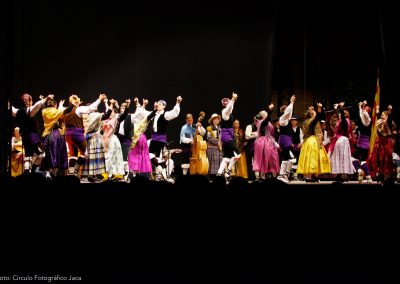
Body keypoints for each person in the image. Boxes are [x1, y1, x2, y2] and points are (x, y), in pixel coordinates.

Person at [63, 93, 106, 176]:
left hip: (68, 134)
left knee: (72, 154)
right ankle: (76, 169)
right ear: (75, 102)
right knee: (85, 153)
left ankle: (71, 173)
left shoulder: (64, 110)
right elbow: (90, 108)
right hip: (77, 133)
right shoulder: (78, 109)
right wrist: (99, 99)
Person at [11, 93, 53, 173]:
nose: (31, 101)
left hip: (26, 135)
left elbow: (12, 110)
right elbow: (37, 106)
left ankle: (30, 170)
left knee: (37, 154)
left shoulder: (18, 111)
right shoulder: (28, 110)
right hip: (32, 135)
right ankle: (29, 171)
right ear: (27, 102)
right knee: (35, 153)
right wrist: (45, 99)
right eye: (29, 100)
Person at [148, 96, 182, 177]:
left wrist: (177, 103)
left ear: (164, 106)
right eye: (158, 104)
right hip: (154, 138)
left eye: (160, 104)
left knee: (158, 157)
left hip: (160, 138)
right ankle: (161, 170)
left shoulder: (165, 114)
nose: (158, 105)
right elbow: (146, 116)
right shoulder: (154, 114)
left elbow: (175, 113)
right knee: (149, 155)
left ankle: (160, 175)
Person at [297, 103, 331, 182]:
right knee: (314, 158)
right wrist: (319, 108)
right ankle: (314, 176)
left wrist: (312, 110)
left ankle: (310, 176)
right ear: (312, 115)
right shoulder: (312, 121)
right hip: (313, 141)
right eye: (314, 113)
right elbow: (318, 117)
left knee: (308, 158)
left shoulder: (305, 122)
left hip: (307, 141)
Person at [41, 96, 68, 179]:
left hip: (46, 135)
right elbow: (63, 113)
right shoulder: (57, 112)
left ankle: (48, 173)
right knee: (57, 153)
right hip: (56, 135)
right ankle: (54, 173)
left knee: (48, 154)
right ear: (55, 105)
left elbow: (44, 108)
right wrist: (62, 105)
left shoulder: (44, 111)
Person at [216, 92, 240, 181]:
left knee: (226, 158)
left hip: (227, 135)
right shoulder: (224, 112)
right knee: (238, 154)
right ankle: (228, 172)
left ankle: (219, 174)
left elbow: (231, 107)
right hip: (226, 135)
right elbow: (229, 108)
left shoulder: (228, 113)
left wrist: (233, 101)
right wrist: (233, 99)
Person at [252, 103, 280, 181]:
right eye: (266, 114)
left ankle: (272, 175)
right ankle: (262, 176)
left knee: (271, 157)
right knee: (264, 157)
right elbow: (267, 120)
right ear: (263, 116)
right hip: (263, 142)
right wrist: (270, 110)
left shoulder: (266, 123)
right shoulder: (262, 122)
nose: (267, 115)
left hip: (268, 141)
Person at [368, 105, 395, 182]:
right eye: (381, 115)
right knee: (379, 159)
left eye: (383, 115)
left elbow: (389, 128)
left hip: (386, 143)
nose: (381, 116)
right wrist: (378, 113)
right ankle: (380, 175)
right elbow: (381, 130)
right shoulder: (379, 121)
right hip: (379, 143)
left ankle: (387, 176)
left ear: (386, 116)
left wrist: (389, 111)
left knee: (386, 159)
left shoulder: (389, 122)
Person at [328, 102, 354, 182]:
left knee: (341, 158)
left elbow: (342, 117)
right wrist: (337, 109)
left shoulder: (345, 120)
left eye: (340, 114)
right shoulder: (341, 120)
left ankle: (343, 175)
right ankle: (340, 175)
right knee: (340, 158)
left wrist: (340, 108)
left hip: (341, 140)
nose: (339, 115)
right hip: (340, 140)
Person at [351, 101, 373, 183]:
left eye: (366, 109)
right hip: (364, 144)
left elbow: (364, 114)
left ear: (368, 112)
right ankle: (368, 177)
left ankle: (359, 170)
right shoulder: (364, 119)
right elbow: (362, 114)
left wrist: (363, 106)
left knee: (352, 158)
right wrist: (360, 106)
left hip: (362, 144)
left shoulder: (368, 120)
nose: (364, 110)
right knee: (363, 160)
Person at [277, 95, 296, 183]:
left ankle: (281, 174)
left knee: (285, 159)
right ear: (283, 111)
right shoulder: (282, 119)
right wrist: (291, 102)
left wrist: (292, 104)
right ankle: (286, 173)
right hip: (284, 141)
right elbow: (288, 112)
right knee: (293, 159)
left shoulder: (286, 119)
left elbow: (289, 112)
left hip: (286, 140)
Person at [206, 113, 223, 179]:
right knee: (213, 164)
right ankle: (212, 177)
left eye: (217, 118)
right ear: (213, 120)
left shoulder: (220, 128)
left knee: (219, 163)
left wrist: (222, 142)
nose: (217, 120)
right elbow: (209, 137)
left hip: (220, 147)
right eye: (215, 119)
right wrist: (217, 143)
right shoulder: (210, 128)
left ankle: (218, 176)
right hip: (212, 148)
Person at [244, 116, 258, 181]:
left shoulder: (260, 127)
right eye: (256, 120)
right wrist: (255, 134)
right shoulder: (249, 126)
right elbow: (247, 136)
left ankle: (257, 176)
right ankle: (251, 177)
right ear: (254, 120)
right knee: (249, 162)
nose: (257, 122)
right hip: (250, 146)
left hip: (257, 147)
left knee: (257, 162)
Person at [290, 116, 303, 181]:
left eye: (294, 120)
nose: (293, 122)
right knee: (291, 160)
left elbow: (301, 138)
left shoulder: (299, 129)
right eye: (292, 120)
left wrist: (301, 144)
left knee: (297, 160)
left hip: (297, 147)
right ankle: (290, 175)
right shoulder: (289, 129)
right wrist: (290, 143)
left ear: (297, 122)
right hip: (291, 147)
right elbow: (288, 137)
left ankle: (295, 175)